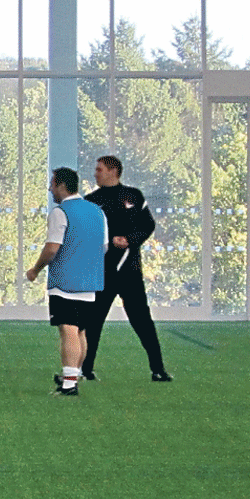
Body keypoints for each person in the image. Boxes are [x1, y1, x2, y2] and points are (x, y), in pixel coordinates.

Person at [81, 155, 172, 383]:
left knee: (142, 320)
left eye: (99, 169)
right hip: (102, 271)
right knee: (93, 320)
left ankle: (158, 369)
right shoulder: (91, 200)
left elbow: (148, 225)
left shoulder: (134, 195)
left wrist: (130, 239)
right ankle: (85, 369)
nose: (95, 173)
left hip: (130, 271)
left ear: (113, 171)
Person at [25, 166, 107, 398]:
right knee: (80, 330)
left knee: (68, 329)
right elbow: (104, 246)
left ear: (61, 186)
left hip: (65, 281)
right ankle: (74, 374)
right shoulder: (97, 212)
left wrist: (36, 269)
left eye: (52, 184)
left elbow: (52, 248)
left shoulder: (60, 213)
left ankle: (69, 384)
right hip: (91, 280)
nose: (50, 189)